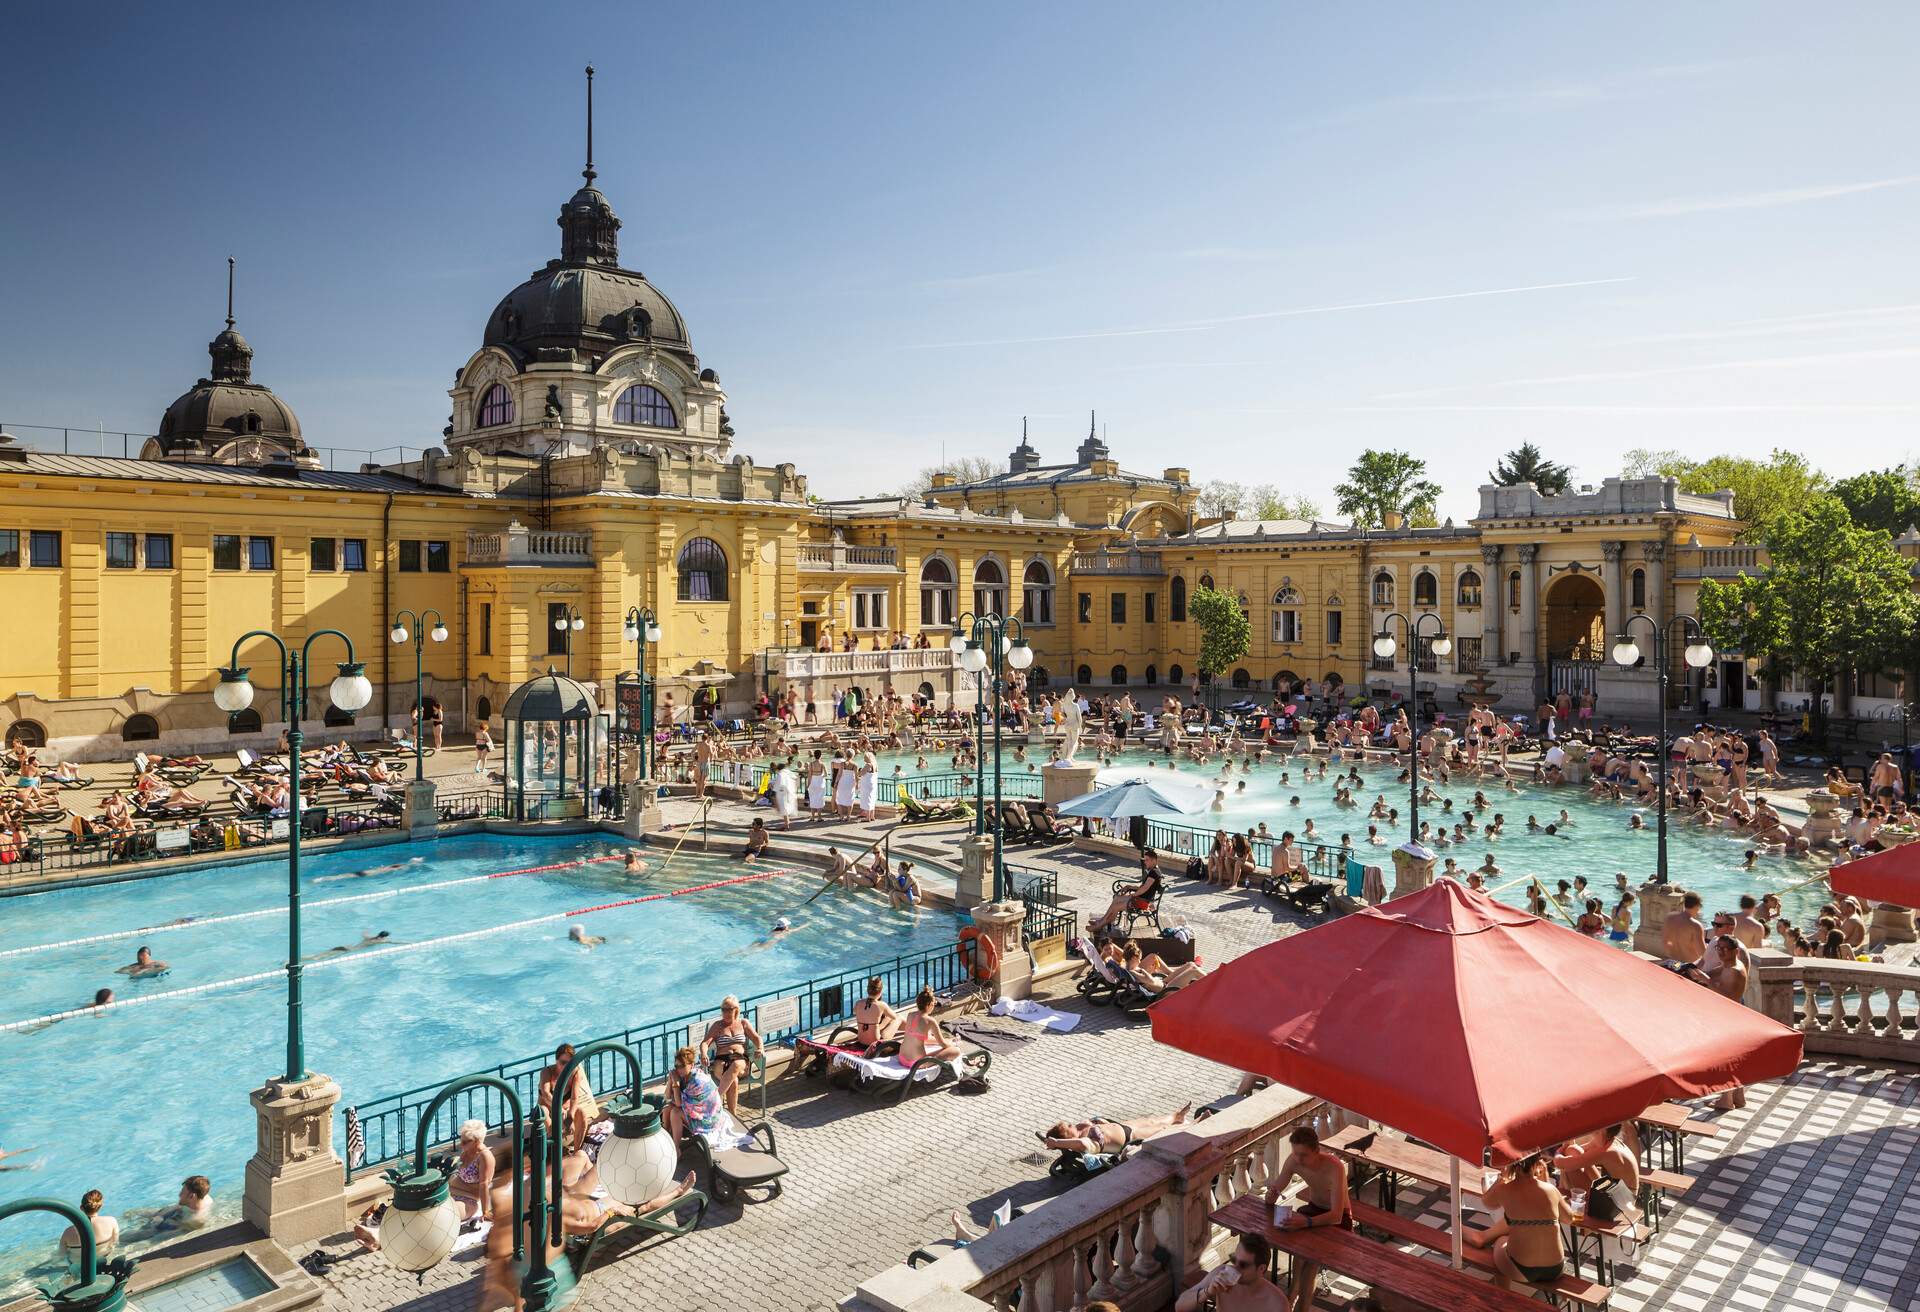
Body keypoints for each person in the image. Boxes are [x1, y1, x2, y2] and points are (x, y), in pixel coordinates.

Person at [1263, 1125, 1350, 1311]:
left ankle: (1301, 1307)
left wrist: (1306, 1222)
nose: (1298, 1159)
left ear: (1316, 1151)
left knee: (1310, 1261)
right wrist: (1271, 1196)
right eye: (1295, 1153)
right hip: (1313, 1210)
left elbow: (1336, 1215)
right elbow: (1277, 1189)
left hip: (1339, 1219)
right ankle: (1293, 1294)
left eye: (1303, 1155)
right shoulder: (1293, 1160)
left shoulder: (1334, 1167)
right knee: (1299, 1253)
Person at [1466, 1154, 1572, 1291]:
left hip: (1522, 1269)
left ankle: (1503, 1298)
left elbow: (1487, 1202)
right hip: (1555, 1269)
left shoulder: (1504, 1190)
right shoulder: (1551, 1190)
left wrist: (1501, 1178)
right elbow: (1569, 1218)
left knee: (1501, 1240)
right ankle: (1482, 1237)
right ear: (1537, 1163)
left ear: (1510, 1164)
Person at [1174, 1234, 1287, 1312]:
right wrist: (1207, 1292)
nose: (1235, 1268)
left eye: (1243, 1265)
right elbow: (1180, 1306)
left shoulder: (1277, 1303)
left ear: (1261, 1269)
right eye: (1233, 1260)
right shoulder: (1222, 1274)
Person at [1039, 1105, 1193, 1154]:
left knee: (1152, 1120)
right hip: (1129, 1137)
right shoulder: (1084, 1143)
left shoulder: (1082, 1129)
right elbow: (1082, 1144)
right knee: (1162, 1128)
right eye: (1069, 1127)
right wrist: (1057, 1142)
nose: (1073, 1124)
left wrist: (1100, 1122)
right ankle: (1194, 1124)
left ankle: (1176, 1116)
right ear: (1067, 1137)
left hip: (1124, 1126)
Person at [703, 996, 763, 1119]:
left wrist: (760, 1048)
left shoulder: (743, 1023)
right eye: (723, 1009)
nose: (725, 1012)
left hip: (740, 1058)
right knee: (733, 1081)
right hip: (721, 1059)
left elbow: (757, 1038)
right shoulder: (717, 1025)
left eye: (728, 1009)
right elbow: (705, 1043)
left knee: (736, 1065)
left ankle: (716, 1098)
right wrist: (704, 1054)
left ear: (736, 1009)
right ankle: (733, 1117)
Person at [1086, 849, 1163, 935]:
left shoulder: (1154, 873)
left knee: (1116, 905)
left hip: (1142, 902)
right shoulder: (1154, 871)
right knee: (1116, 898)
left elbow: (1145, 888)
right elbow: (1144, 888)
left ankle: (1100, 925)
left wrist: (1132, 895)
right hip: (1140, 899)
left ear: (1154, 860)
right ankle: (1102, 921)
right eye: (1144, 860)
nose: (1145, 862)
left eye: (1147, 860)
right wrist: (1130, 887)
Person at [537, 1043, 600, 1146]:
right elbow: (545, 1093)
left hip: (565, 1112)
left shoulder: (576, 1072)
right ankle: (554, 1142)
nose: (566, 1067)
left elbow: (574, 1098)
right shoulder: (547, 1072)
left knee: (581, 1113)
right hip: (550, 1111)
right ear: (556, 1061)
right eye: (563, 1062)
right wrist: (559, 1109)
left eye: (569, 1063)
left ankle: (576, 1151)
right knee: (543, 1111)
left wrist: (570, 1116)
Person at [59, 1189, 119, 1273]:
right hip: (103, 1264)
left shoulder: (68, 1232)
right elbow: (115, 1243)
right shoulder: (112, 1221)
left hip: (80, 1270)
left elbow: (61, 1255)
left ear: (81, 1208)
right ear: (100, 1205)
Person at [449, 1119, 496, 1224]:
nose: (461, 1144)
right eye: (461, 1140)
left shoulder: (484, 1156)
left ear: (477, 1141)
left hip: (469, 1200)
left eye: (465, 1142)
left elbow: (484, 1184)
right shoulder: (466, 1151)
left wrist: (485, 1211)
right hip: (454, 1191)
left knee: (449, 1215)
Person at [899, 986, 962, 1064]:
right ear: (929, 1005)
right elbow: (943, 1044)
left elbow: (920, 1037)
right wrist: (952, 1045)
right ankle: (953, 1042)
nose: (933, 1006)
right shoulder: (930, 1021)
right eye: (933, 1004)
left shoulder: (910, 1015)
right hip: (917, 1063)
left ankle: (951, 1041)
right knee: (956, 1051)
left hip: (902, 1058)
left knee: (922, 1037)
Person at [852, 976, 901, 1050]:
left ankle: (913, 1030)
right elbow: (894, 1017)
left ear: (868, 990)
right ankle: (913, 1031)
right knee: (898, 1018)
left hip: (861, 1042)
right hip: (877, 1046)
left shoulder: (858, 1003)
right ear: (880, 992)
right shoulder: (881, 1005)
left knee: (886, 1019)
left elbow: (854, 1011)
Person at [1662, 891, 1707, 963]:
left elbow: (1665, 942)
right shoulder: (1696, 925)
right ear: (1697, 906)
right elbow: (1702, 953)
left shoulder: (1670, 918)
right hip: (1688, 966)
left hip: (1672, 962)